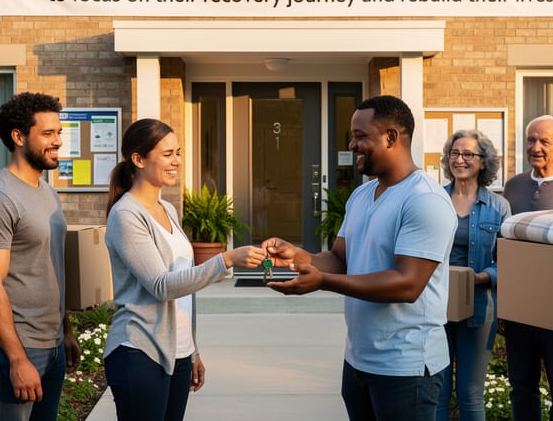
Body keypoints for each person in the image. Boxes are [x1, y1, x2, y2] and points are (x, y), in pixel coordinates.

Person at [263, 95, 457, 421]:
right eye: (352, 136)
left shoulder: (425, 201)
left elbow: (407, 284)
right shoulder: (362, 194)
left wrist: (323, 282)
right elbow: (340, 258)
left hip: (405, 366)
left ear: (391, 137)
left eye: (360, 135)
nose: (352, 144)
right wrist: (300, 257)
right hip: (358, 361)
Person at [102, 118, 266, 421]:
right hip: (140, 350)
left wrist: (191, 348)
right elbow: (162, 286)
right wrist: (226, 260)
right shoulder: (127, 215)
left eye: (178, 152)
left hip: (176, 351)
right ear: (138, 159)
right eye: (167, 154)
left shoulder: (168, 209)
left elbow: (183, 292)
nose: (176, 161)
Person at [0, 92, 81, 421]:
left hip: (51, 344)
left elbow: (48, 267)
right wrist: (17, 359)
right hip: (13, 349)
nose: (58, 141)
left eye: (59, 132)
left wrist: (65, 330)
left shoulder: (46, 192)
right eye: (47, 134)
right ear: (19, 137)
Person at [502, 115, 553, 421]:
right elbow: (507, 248)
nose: (535, 147)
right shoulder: (512, 187)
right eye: (530, 140)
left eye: (544, 141)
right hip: (520, 310)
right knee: (521, 388)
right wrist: (505, 307)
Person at [436, 128, 511, 421]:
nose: (460, 159)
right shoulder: (433, 200)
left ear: (483, 161)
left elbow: (507, 260)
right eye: (455, 153)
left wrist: (482, 277)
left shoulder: (499, 207)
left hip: (479, 307)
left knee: (470, 393)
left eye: (468, 154)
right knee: (437, 390)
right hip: (436, 305)